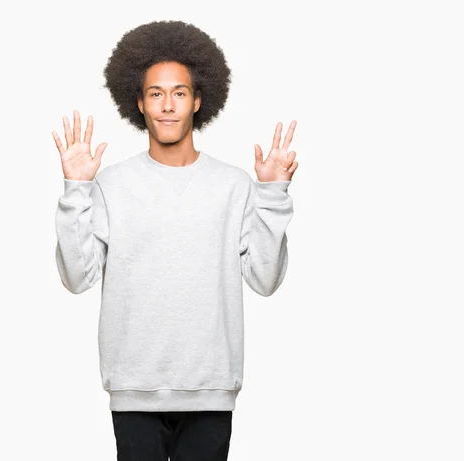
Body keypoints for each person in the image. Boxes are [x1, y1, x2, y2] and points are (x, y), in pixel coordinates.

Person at [53, 20, 299, 461]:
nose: (168, 106)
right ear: (139, 103)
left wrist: (273, 196)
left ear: (198, 101)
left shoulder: (234, 185)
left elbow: (265, 279)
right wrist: (76, 190)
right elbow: (76, 278)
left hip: (211, 389)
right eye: (156, 94)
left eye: (179, 93)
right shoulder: (111, 184)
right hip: (134, 388)